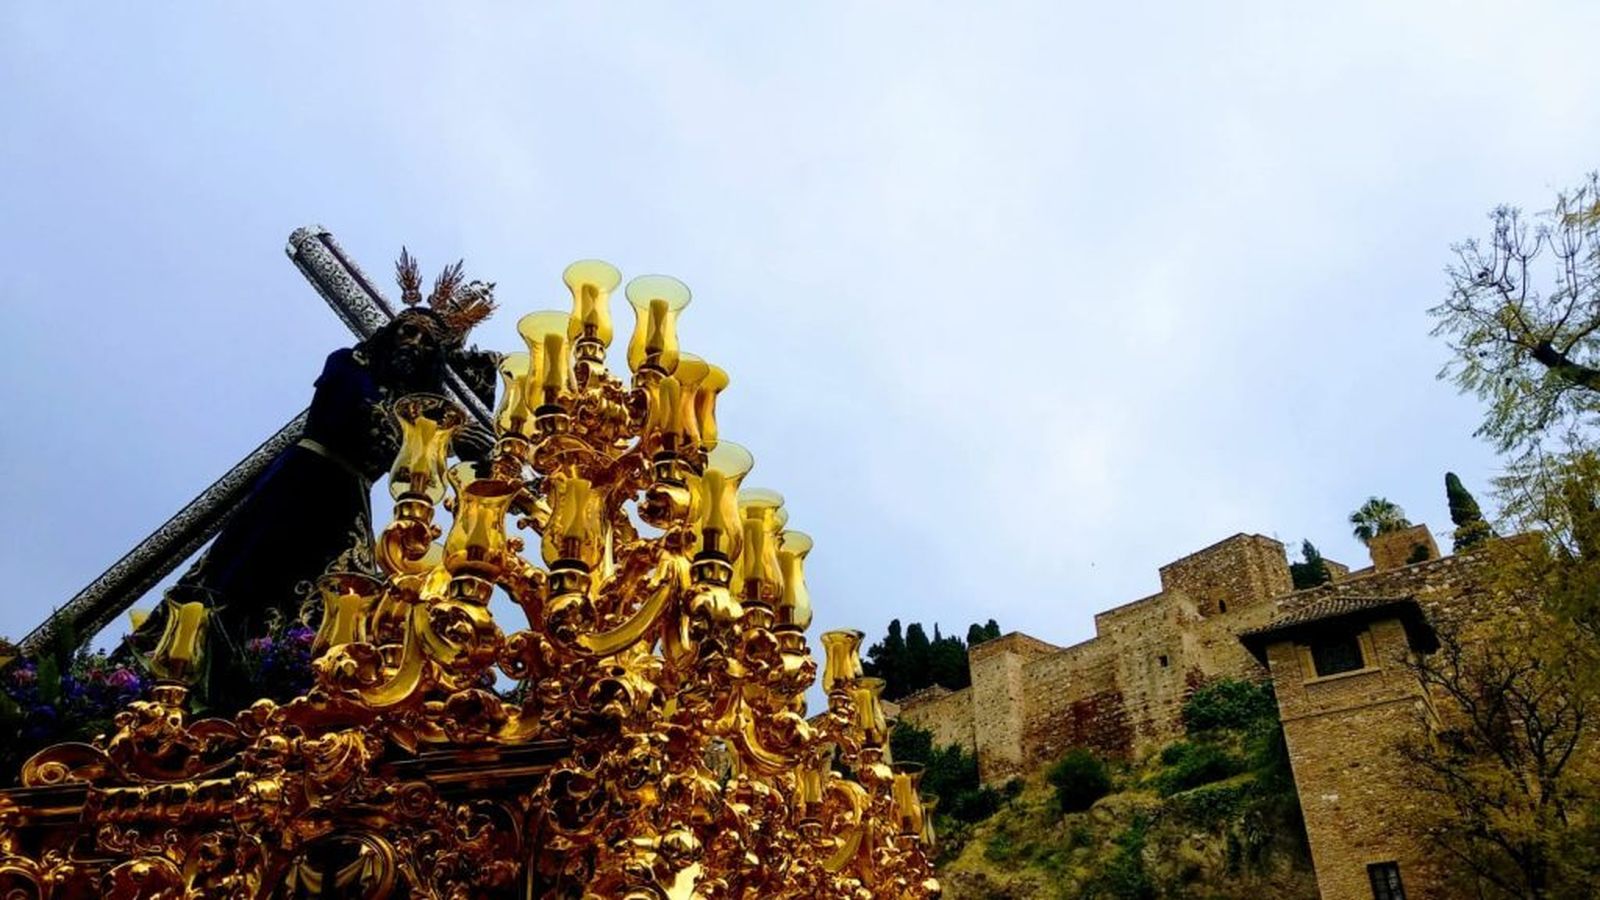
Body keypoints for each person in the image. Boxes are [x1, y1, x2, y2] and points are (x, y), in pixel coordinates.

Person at [126, 252, 498, 712]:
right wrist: (436, 423)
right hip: (300, 482)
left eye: (427, 340)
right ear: (389, 334)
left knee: (345, 596)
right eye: (408, 331)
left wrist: (471, 435)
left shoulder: (420, 404)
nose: (415, 342)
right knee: (245, 570)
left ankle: (290, 678)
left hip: (348, 498)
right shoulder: (347, 365)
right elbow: (355, 414)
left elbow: (442, 451)